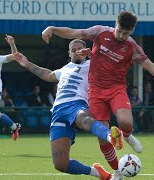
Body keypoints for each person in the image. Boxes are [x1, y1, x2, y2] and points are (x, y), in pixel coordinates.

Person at [42, 11, 154, 179]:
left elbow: (152, 67)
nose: (121, 35)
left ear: (132, 31)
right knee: (103, 138)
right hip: (96, 92)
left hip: (116, 89)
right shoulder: (100, 32)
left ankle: (126, 136)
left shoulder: (132, 47)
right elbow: (74, 32)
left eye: (126, 33)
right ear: (115, 24)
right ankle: (118, 171)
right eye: (119, 30)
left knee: (126, 122)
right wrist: (52, 28)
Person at [13, 39, 123, 180]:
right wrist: (27, 64)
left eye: (80, 49)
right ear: (69, 53)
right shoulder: (64, 69)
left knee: (84, 119)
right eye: (73, 50)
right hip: (58, 111)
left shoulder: (93, 64)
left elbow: (112, 63)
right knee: (60, 164)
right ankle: (98, 173)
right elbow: (47, 75)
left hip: (77, 104)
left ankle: (111, 137)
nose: (77, 52)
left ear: (85, 52)